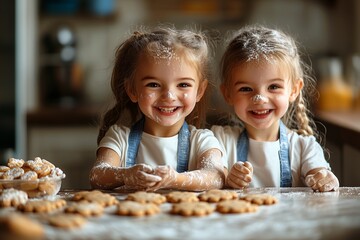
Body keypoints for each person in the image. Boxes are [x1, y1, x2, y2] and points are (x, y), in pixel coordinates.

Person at [89, 25, 225, 192]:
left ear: (199, 91)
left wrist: (176, 179)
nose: (168, 96)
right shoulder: (119, 137)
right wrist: (127, 175)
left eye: (183, 85)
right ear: (132, 90)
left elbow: (215, 176)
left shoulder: (202, 140)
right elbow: (98, 175)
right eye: (153, 85)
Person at [211, 25, 339, 192]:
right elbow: (212, 176)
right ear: (227, 94)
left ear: (294, 90)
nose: (260, 99)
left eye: (273, 87)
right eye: (246, 89)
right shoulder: (220, 140)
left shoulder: (304, 147)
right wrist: (227, 178)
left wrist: (325, 179)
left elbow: (320, 175)